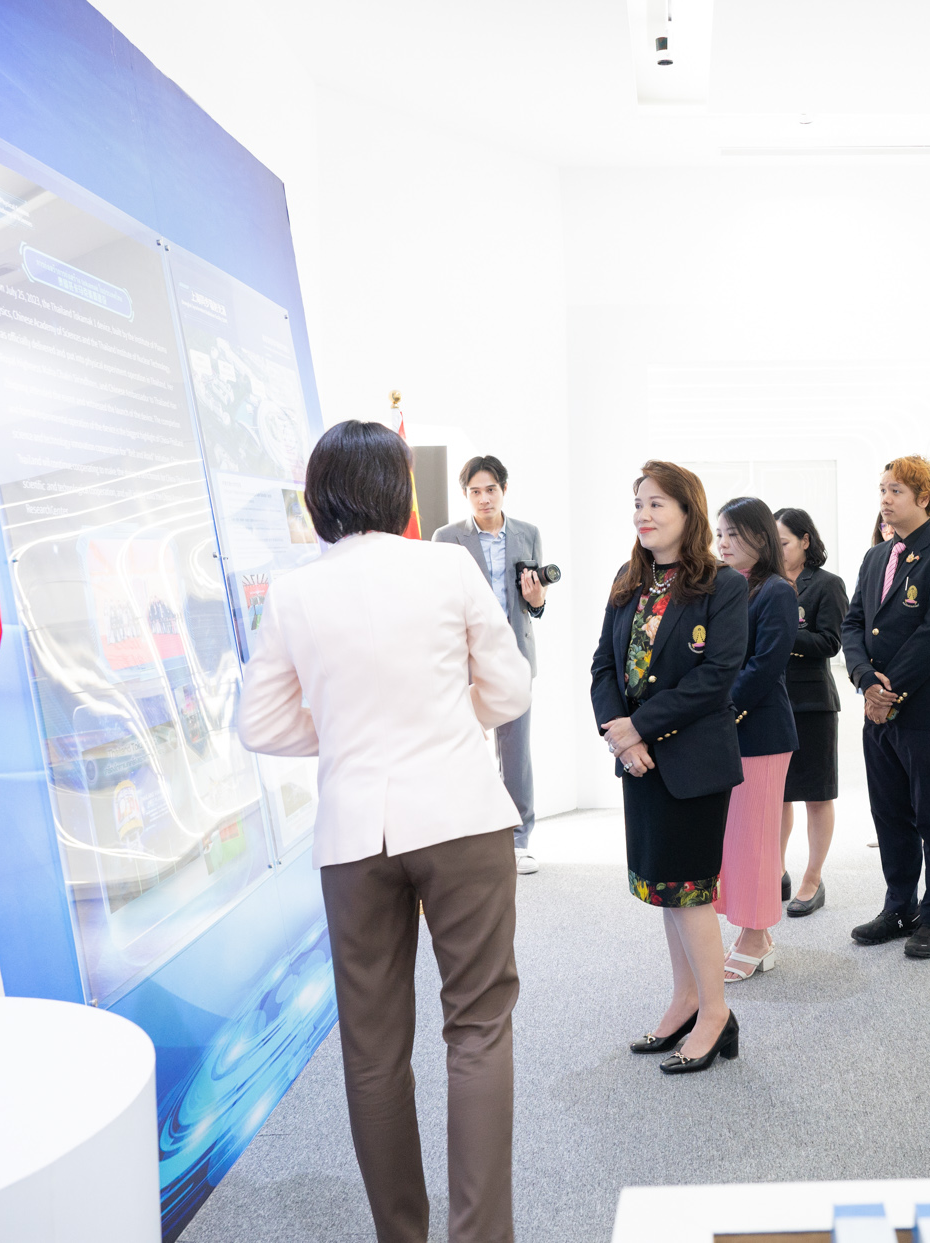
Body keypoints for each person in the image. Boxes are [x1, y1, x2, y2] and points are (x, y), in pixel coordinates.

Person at [238, 420, 531, 1243]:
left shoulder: (294, 591)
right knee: (477, 1027)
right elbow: (508, 692)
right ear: (399, 492)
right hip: (462, 816)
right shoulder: (447, 564)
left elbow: (260, 722)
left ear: (319, 497)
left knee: (372, 1050)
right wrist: (444, 716)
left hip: (352, 835)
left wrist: (340, 729)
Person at [590, 461, 749, 1074]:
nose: (644, 515)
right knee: (665, 890)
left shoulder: (723, 586)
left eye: (657, 504)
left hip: (691, 761)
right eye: (638, 504)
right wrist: (619, 736)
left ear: (689, 512)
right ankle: (686, 1000)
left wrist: (642, 725)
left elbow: (717, 677)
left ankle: (717, 1014)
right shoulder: (629, 581)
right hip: (641, 762)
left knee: (690, 892)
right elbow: (604, 665)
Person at [840, 456, 930, 959]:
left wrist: (888, 691)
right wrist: (864, 681)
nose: (885, 499)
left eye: (895, 490)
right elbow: (854, 625)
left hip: (927, 709)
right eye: (882, 490)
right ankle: (899, 905)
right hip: (876, 706)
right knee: (889, 813)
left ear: (925, 498)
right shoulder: (877, 557)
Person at [433, 455, 548, 874]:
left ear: (504, 490)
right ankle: (468, 835)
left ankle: (519, 839)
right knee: (464, 747)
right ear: (465, 495)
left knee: (516, 751)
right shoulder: (446, 537)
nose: (484, 499)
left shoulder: (528, 534)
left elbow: (534, 603)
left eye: (491, 490)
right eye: (475, 492)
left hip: (513, 655)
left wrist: (537, 602)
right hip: (463, 659)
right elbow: (438, 602)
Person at [712, 497, 798, 979]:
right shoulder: (725, 587)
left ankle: (755, 934)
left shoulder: (776, 592)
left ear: (761, 538)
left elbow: (766, 665)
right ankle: (755, 932)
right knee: (733, 839)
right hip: (724, 731)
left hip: (760, 731)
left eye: (733, 534)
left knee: (756, 840)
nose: (723, 543)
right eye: (719, 534)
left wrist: (723, 710)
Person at [774, 507, 849, 917]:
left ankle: (813, 878)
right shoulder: (760, 583)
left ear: (805, 541)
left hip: (813, 704)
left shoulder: (827, 585)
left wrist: (784, 635)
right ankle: (776, 871)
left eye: (783, 541)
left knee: (816, 796)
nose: (776, 548)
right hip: (770, 704)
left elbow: (830, 642)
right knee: (776, 796)